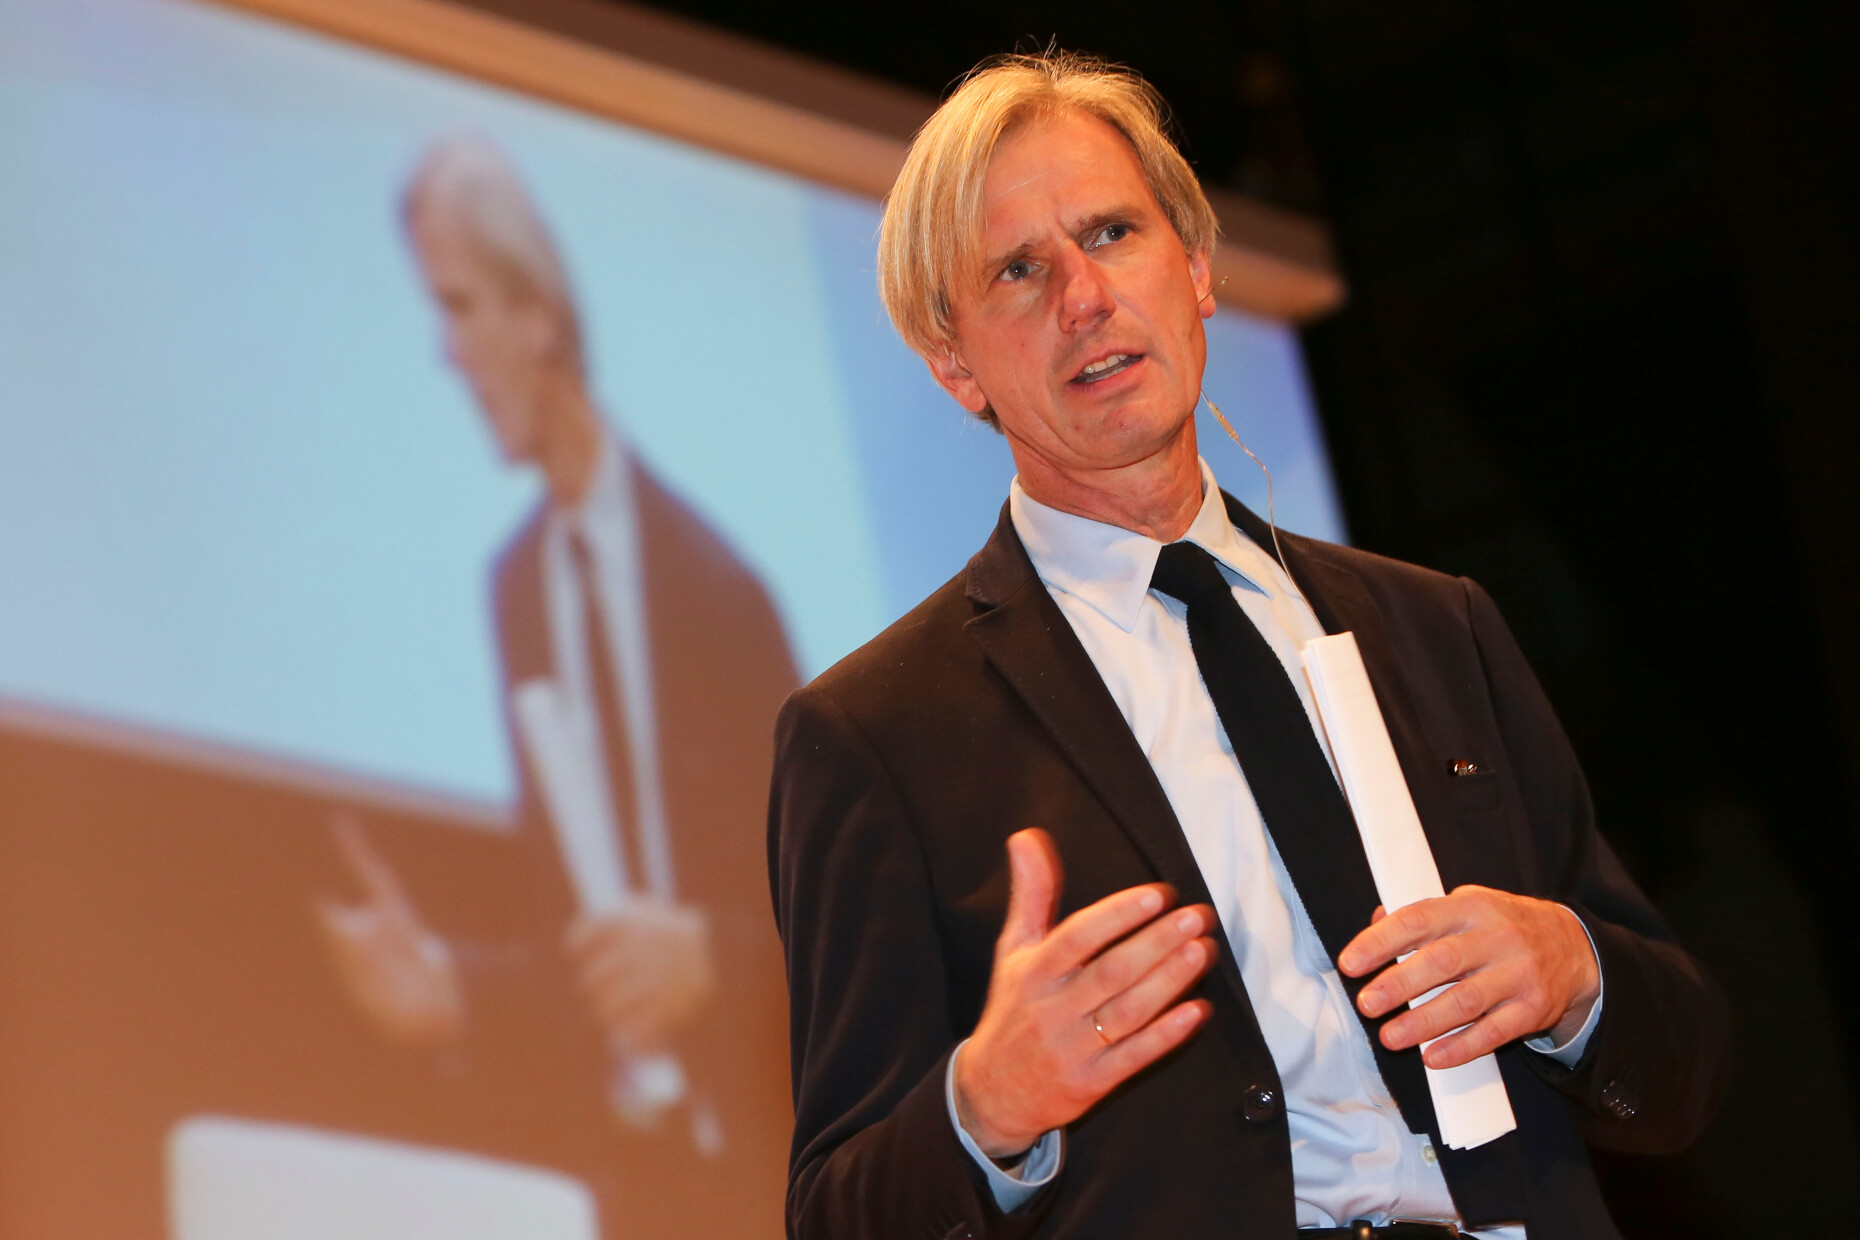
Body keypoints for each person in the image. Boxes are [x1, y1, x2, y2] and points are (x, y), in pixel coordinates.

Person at [768, 52, 1728, 1240]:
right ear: (954, 361)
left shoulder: (1437, 626)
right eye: (1018, 269)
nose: (1084, 295)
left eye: (1113, 233)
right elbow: (838, 1212)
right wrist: (987, 1109)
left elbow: (1683, 1067)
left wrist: (1573, 972)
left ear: (1196, 268)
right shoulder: (874, 734)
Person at [315, 138, 796, 1239]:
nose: (446, 353)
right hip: (616, 1184)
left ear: (537, 312)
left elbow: (838, 922)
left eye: (459, 306)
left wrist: (710, 966)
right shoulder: (517, 589)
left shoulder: (718, 591)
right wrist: (451, 989)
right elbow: (580, 949)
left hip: (761, 1178)